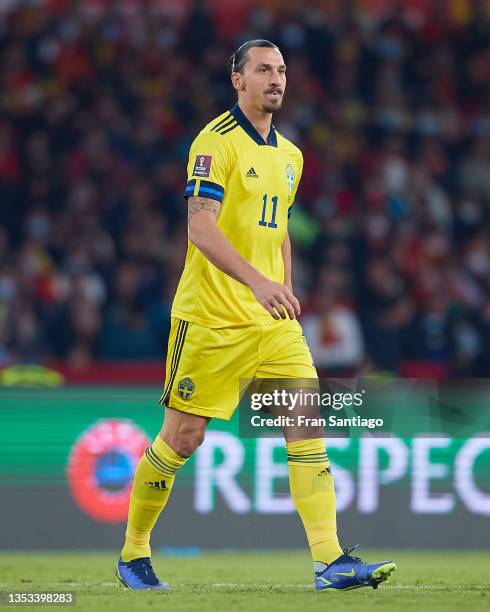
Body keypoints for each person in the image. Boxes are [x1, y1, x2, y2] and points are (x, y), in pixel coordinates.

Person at [116, 39, 396, 592]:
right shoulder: (213, 143)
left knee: (305, 424)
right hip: (211, 319)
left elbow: (281, 230)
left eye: (282, 70)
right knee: (183, 436)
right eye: (264, 70)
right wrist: (259, 281)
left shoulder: (290, 155)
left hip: (271, 324)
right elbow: (200, 227)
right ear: (237, 80)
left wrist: (284, 291)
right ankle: (133, 553)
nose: (276, 79)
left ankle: (330, 561)